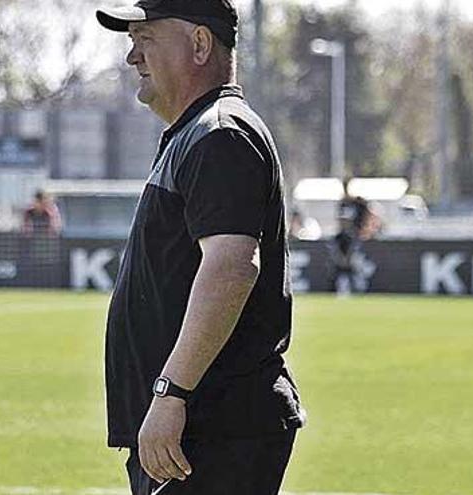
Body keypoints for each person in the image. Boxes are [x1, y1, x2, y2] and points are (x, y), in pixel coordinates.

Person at [96, 2, 306, 494]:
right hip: (198, 429)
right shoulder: (198, 132)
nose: (132, 56)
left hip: (210, 428)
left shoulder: (219, 134)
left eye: (145, 38)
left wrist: (172, 394)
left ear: (199, 44)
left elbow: (232, 267)